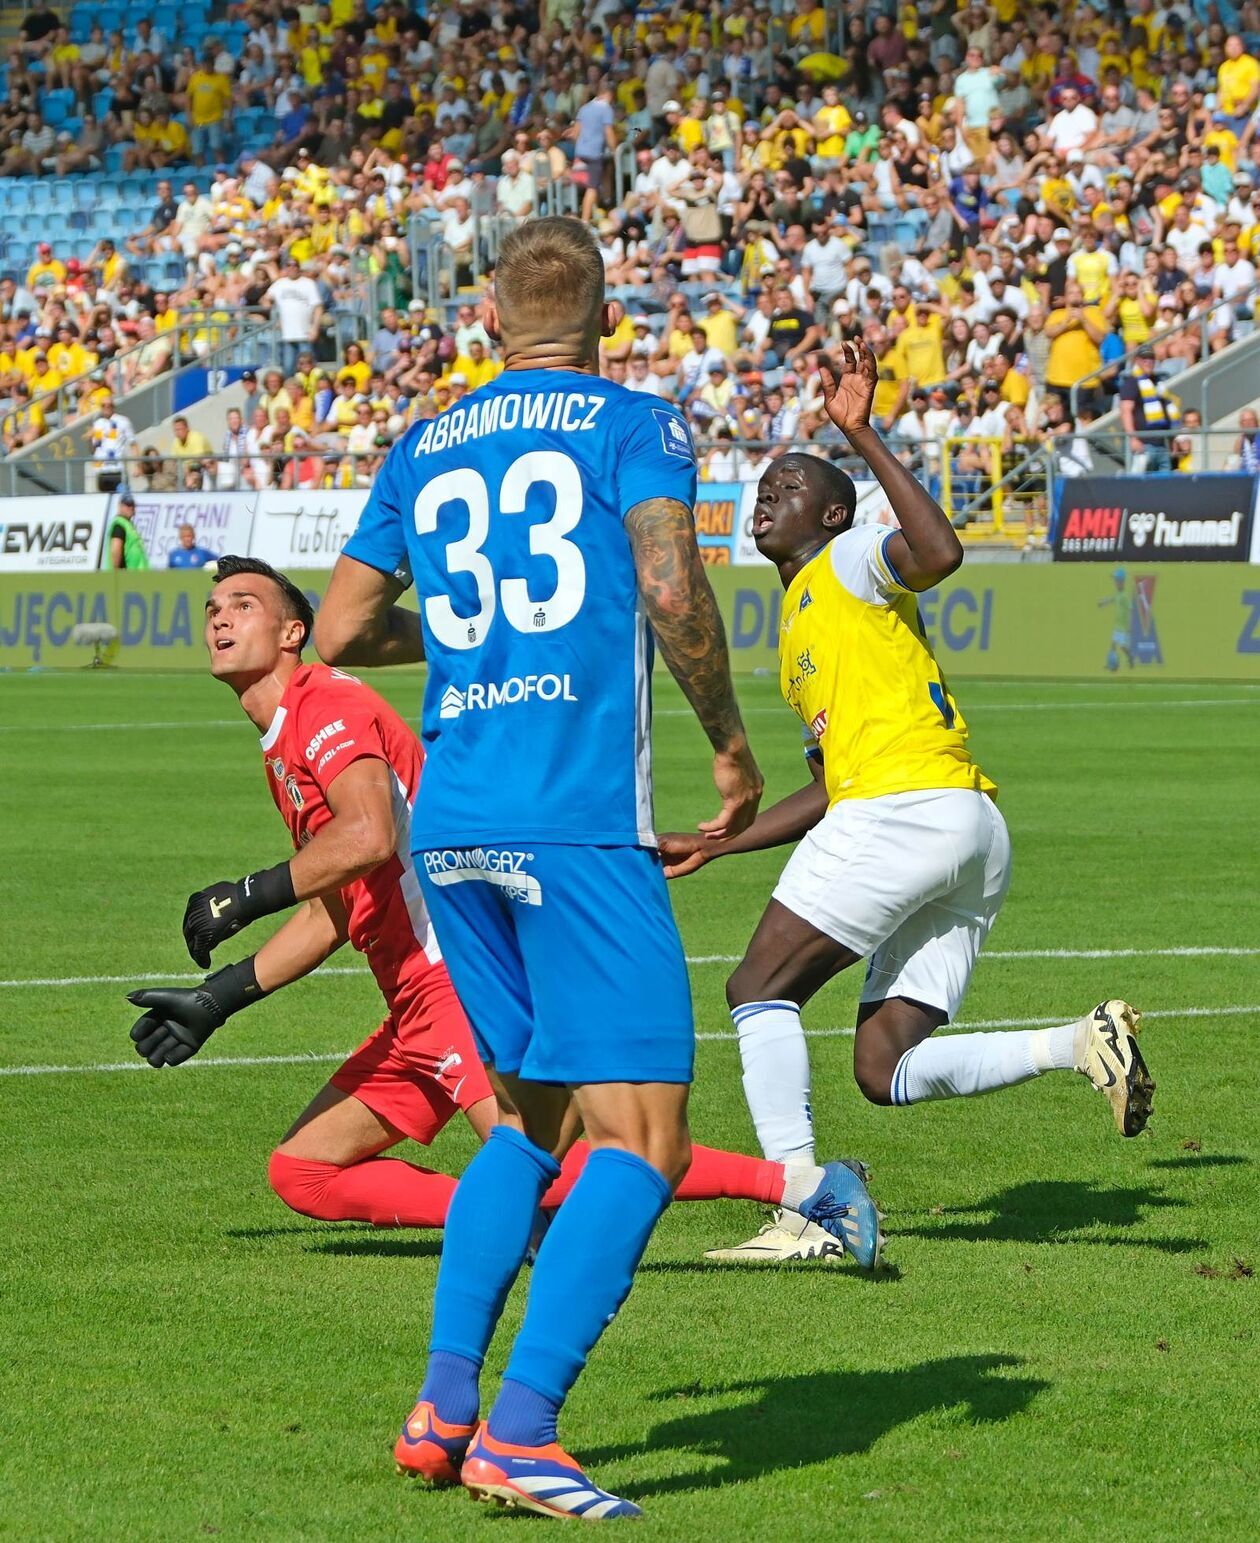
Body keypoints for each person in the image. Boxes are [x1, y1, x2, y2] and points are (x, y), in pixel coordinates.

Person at [310, 215, 838, 1520]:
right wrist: (728, 742)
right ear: (602, 317)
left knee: (535, 1118)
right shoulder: (630, 421)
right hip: (572, 818)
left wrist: (460, 655)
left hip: (457, 823)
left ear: (489, 319)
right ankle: (523, 1428)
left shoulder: (422, 442)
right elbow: (670, 588)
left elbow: (335, 628)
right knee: (645, 1138)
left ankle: (442, 1405)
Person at [661, 341, 1155, 1264]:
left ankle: (805, 1206)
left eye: (791, 482)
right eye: (764, 482)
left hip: (910, 808)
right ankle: (1077, 1043)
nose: (769, 492)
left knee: (756, 988)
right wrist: (721, 844)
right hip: (964, 826)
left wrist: (860, 431)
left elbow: (939, 549)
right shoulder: (803, 626)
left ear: (835, 510)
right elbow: (826, 786)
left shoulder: (848, 560)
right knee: (882, 1068)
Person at [1116, 348, 1180, 473]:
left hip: (1162, 444)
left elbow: (1166, 411)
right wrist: (1133, 438)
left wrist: (1172, 439)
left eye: (1151, 359)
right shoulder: (1132, 382)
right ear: (1137, 361)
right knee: (1140, 486)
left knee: (1164, 486)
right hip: (1143, 444)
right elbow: (1126, 411)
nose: (1149, 362)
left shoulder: (1158, 383)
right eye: (1145, 359)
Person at [105, 492, 149, 570]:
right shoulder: (119, 525)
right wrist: (117, 574)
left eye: (132, 505)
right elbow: (116, 549)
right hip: (126, 577)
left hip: (135, 577)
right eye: (128, 505)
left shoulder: (128, 525)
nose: (131, 507)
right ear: (120, 506)